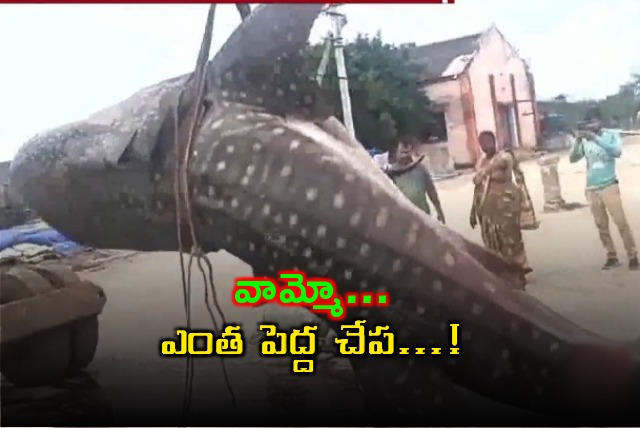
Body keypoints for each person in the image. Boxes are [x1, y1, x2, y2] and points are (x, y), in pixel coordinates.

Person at [569, 109, 638, 270]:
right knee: (601, 225)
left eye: (594, 122)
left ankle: (633, 255)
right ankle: (611, 255)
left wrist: (596, 139)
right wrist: (578, 141)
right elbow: (573, 158)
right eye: (589, 123)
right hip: (592, 187)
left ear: (600, 122)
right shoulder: (585, 140)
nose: (591, 125)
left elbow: (616, 152)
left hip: (609, 185)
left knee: (621, 223)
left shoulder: (610, 135)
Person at [469, 130, 536, 283]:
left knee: (510, 238)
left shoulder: (505, 156)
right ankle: (502, 271)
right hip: (486, 207)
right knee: (491, 240)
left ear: (494, 142)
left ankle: (519, 270)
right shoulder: (481, 161)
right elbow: (477, 187)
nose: (485, 146)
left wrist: (485, 170)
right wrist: (473, 211)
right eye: (482, 144)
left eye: (487, 142)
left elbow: (504, 165)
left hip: (506, 204)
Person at [387, 139, 445, 223]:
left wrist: (439, 211)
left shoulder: (421, 169)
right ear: (396, 153)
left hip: (424, 217)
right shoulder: (391, 175)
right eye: (403, 152)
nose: (406, 156)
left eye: (408, 152)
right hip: (403, 220)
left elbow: (431, 191)